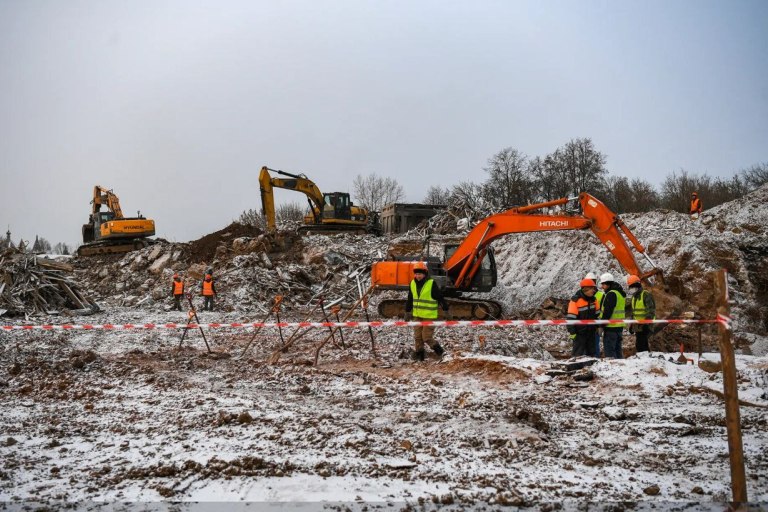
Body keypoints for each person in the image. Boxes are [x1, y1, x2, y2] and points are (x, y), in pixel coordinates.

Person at [404, 262, 449, 361]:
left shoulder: (431, 283)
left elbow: (440, 297)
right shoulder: (412, 283)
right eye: (416, 274)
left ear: (425, 274)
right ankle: (420, 357)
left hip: (429, 315)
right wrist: (407, 312)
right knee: (417, 337)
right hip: (417, 315)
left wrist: (446, 310)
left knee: (426, 337)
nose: (417, 276)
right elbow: (410, 298)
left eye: (420, 274)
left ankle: (441, 352)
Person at [566, 278, 600, 357]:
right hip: (579, 333)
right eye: (592, 289)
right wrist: (572, 333)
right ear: (586, 289)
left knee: (591, 353)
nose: (594, 291)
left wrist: (597, 326)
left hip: (591, 332)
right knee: (578, 354)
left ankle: (590, 368)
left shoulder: (594, 300)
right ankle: (576, 368)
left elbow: (597, 315)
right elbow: (570, 319)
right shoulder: (575, 301)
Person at [598, 273, 626, 359]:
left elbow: (607, 311)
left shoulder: (611, 294)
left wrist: (602, 325)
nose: (602, 287)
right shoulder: (619, 293)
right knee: (617, 350)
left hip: (611, 327)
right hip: (619, 326)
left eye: (603, 284)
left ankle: (612, 368)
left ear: (607, 283)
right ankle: (620, 368)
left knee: (610, 352)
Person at [627, 275, 656, 353]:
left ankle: (643, 359)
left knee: (640, 345)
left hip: (645, 325)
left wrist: (646, 323)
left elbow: (651, 310)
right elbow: (634, 313)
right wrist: (631, 325)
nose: (631, 289)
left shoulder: (645, 295)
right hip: (638, 326)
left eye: (632, 287)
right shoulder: (634, 297)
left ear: (637, 286)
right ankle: (646, 358)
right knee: (643, 344)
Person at [586, 272, 602, 357]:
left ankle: (595, 363)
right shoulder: (583, 296)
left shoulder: (600, 295)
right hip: (586, 327)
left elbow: (602, 311)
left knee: (594, 347)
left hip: (595, 326)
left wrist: (600, 326)